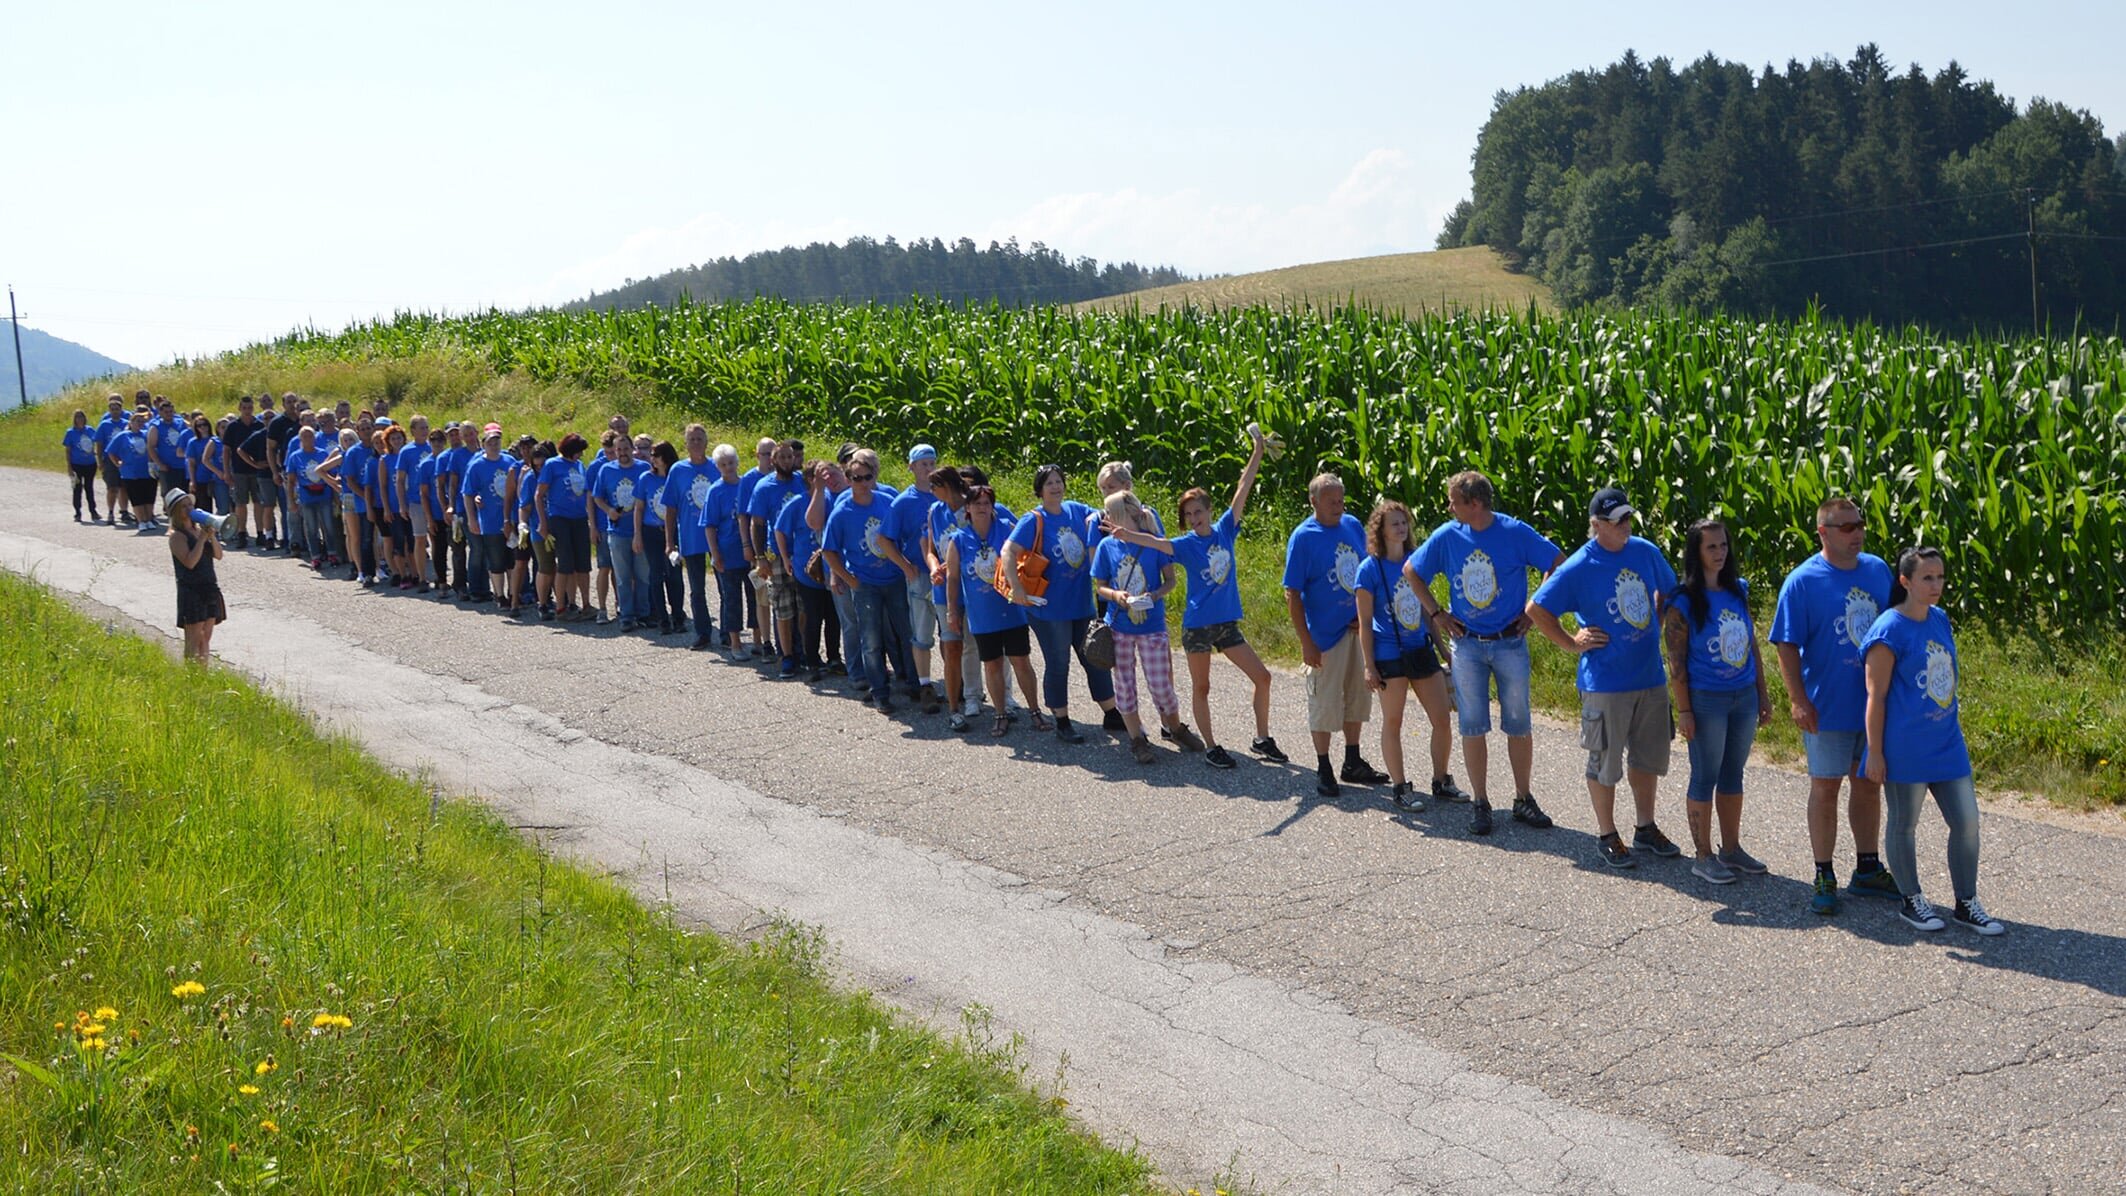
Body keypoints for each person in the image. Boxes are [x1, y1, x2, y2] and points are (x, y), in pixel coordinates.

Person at [1528, 487, 1681, 869]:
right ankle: (1607, 834)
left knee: (1648, 759)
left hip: (1649, 676)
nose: (1626, 526)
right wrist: (1571, 643)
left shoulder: (1644, 551)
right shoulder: (1580, 565)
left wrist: (1657, 621)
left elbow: (1670, 590)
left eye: (1628, 517)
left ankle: (1645, 827)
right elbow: (1536, 609)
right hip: (1605, 683)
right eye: (1618, 521)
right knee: (1604, 762)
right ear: (1597, 525)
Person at [1407, 470, 1564, 833]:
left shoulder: (1514, 531)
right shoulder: (1448, 537)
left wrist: (1533, 609)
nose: (1449, 507)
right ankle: (1481, 802)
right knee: (1473, 725)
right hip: (1467, 646)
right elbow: (1412, 571)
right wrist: (1437, 613)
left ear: (1474, 504)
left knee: (1519, 724)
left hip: (1509, 642)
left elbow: (1556, 563)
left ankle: (1523, 799)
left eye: (1454, 501)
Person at [1769, 495, 1900, 915]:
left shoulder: (1878, 570)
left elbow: (1897, 627)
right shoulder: (1804, 581)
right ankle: (1823, 872)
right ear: (1823, 532)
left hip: (1873, 707)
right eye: (1846, 527)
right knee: (1825, 789)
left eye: (1860, 524)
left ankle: (1866, 868)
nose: (1857, 533)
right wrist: (1797, 700)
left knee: (1867, 785)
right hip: (1826, 707)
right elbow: (1785, 645)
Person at [1863, 548, 2004, 935]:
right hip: (1905, 746)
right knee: (1904, 824)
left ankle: (1966, 902)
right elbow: (1875, 696)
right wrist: (1874, 752)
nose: (1936, 585)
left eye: (1940, 577)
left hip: (1947, 743)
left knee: (1967, 823)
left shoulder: (1940, 619)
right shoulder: (1887, 629)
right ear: (1905, 581)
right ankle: (1912, 899)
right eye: (1927, 578)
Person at [1663, 518, 1773, 885]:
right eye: (1711, 547)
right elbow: (1676, 663)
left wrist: (1762, 693)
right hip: (1706, 700)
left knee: (1733, 773)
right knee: (1705, 774)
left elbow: (1751, 644)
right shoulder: (1682, 602)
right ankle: (1703, 855)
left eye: (1723, 545)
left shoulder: (1737, 589)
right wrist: (1685, 711)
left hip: (1742, 696)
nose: (1720, 553)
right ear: (1696, 552)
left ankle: (1731, 849)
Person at [1283, 472, 1389, 797]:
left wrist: (1365, 614)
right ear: (1313, 501)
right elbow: (1293, 593)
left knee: (1357, 698)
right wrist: (1306, 642)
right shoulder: (1303, 537)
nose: (1338, 507)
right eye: (1331, 502)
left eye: (1341, 500)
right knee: (1324, 703)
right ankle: (1324, 766)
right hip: (1324, 637)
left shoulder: (1352, 526)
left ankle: (1353, 760)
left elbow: (1367, 571)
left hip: (1358, 632)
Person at [1354, 500, 1462, 812]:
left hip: (1421, 650)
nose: (1401, 528)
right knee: (1393, 721)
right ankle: (1400, 787)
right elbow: (1363, 623)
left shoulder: (1416, 563)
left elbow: (1429, 612)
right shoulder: (1369, 569)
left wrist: (1444, 651)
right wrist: (1369, 666)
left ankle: (1441, 780)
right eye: (1394, 524)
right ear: (1381, 531)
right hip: (1389, 654)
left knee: (1442, 719)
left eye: (1404, 523)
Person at [1001, 464, 1114, 745]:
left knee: (1095, 657)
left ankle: (1111, 713)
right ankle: (1062, 720)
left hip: (1081, 605)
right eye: (1049, 483)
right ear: (1040, 489)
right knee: (1059, 662)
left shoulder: (1077, 510)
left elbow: (1105, 517)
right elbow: (1008, 551)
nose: (1055, 487)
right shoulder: (1034, 519)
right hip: (1048, 609)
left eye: (1058, 481)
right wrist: (1016, 588)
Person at [822, 448, 926, 714]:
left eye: (867, 477)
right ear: (848, 479)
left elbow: (899, 535)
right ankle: (880, 692)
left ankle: (914, 683)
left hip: (893, 579)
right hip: (865, 583)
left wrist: (905, 566)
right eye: (856, 478)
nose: (863, 483)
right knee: (871, 640)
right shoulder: (842, 510)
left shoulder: (886, 500)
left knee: (906, 633)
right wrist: (849, 579)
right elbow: (829, 550)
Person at [1094, 490, 1186, 763]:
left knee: (1161, 686)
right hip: (1119, 626)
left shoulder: (1154, 544)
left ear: (1123, 515)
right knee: (1124, 685)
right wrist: (1116, 596)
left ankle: (1175, 727)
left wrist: (1154, 595)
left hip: (1152, 625)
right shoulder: (1106, 547)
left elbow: (1171, 581)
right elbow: (1100, 586)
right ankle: (1137, 738)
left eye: (1109, 512)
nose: (1106, 517)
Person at [946, 484, 1044, 733]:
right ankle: (1000, 713)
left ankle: (1035, 711)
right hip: (982, 615)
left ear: (993, 507)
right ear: (967, 508)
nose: (982, 508)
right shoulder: (958, 540)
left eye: (987, 503)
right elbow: (953, 579)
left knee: (1021, 661)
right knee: (992, 664)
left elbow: (1026, 556)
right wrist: (952, 611)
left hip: (1012, 610)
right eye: (976, 504)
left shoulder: (1007, 531)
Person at [778, 459, 840, 680]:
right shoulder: (798, 502)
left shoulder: (834, 499)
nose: (825, 479)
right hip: (808, 570)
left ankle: (834, 657)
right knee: (813, 617)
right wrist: (786, 558)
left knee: (833, 616)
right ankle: (812, 662)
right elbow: (780, 530)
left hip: (832, 568)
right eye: (819, 475)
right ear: (809, 479)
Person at [893, 445, 944, 701]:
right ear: (911, 467)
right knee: (922, 634)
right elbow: (884, 539)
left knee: (950, 631)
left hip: (947, 576)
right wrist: (905, 566)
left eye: (932, 462)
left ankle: (957, 683)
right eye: (923, 463)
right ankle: (924, 685)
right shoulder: (903, 502)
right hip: (920, 575)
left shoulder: (944, 496)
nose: (928, 468)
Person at [662, 427, 719, 650]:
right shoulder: (678, 470)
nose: (696, 443)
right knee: (697, 589)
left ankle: (727, 633)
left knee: (725, 587)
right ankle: (703, 632)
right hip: (691, 536)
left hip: (717, 538)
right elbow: (670, 509)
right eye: (691, 440)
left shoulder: (717, 466)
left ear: (706, 442)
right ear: (686, 444)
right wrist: (669, 541)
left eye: (699, 439)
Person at [592, 433, 652, 630]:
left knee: (643, 575)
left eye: (626, 449)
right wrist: (609, 510)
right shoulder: (606, 470)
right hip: (617, 532)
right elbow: (597, 497)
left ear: (632, 450)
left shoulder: (643, 469)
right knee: (622, 576)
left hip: (640, 530)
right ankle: (626, 615)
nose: (622, 453)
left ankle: (644, 613)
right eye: (619, 450)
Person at [702, 443, 753, 656]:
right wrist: (715, 554)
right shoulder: (715, 491)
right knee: (731, 598)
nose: (728, 467)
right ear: (717, 466)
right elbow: (710, 526)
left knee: (754, 595)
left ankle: (758, 639)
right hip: (727, 552)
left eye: (731, 462)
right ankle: (734, 642)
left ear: (737, 462)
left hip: (749, 553)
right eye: (723, 464)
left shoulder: (747, 486)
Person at [165, 490, 226, 665]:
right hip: (191, 590)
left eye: (190, 505)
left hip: (209, 586)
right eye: (183, 507)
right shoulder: (176, 536)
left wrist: (211, 537)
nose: (189, 509)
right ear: (176, 511)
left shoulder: (199, 530)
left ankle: (203, 674)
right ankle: (191, 675)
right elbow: (190, 562)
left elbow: (218, 555)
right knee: (194, 640)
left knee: (205, 638)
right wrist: (201, 540)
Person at [538, 432, 594, 621]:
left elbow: (585, 493)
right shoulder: (552, 465)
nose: (580, 455)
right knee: (565, 564)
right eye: (578, 451)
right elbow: (539, 495)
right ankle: (561, 607)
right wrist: (543, 522)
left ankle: (586, 604)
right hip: (559, 517)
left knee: (583, 564)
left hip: (579, 518)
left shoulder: (579, 466)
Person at [464, 425, 519, 610]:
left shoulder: (510, 461)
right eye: (490, 442)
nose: (494, 445)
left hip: (511, 519)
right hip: (490, 520)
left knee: (512, 559)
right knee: (496, 561)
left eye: (497, 441)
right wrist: (472, 518)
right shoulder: (476, 466)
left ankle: (513, 594)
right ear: (483, 444)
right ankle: (499, 594)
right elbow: (468, 493)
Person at [639, 442, 685, 634]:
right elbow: (639, 508)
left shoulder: (675, 478)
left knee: (674, 575)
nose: (653, 459)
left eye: (657, 455)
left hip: (674, 531)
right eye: (652, 455)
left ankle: (678, 616)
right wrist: (636, 535)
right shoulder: (645, 478)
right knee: (656, 576)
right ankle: (662, 618)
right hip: (651, 532)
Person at [281, 425, 341, 568]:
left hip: (324, 494)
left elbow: (331, 474)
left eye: (311, 436)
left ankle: (332, 553)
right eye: (305, 437)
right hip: (306, 496)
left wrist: (335, 496)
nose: (308, 439)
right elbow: (291, 481)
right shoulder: (295, 457)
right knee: (311, 528)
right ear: (300, 439)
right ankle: (315, 556)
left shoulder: (322, 455)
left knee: (328, 526)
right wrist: (291, 501)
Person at [109, 409, 159, 530]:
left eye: (142, 421)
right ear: (131, 422)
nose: (140, 423)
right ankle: (141, 520)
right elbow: (111, 451)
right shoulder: (122, 436)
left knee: (149, 497)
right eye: (137, 421)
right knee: (137, 498)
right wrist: (117, 462)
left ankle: (148, 519)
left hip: (147, 471)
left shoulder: (146, 434)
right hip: (131, 472)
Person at [62, 410, 103, 522]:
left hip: (90, 463)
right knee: (77, 489)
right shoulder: (70, 433)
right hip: (77, 464)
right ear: (74, 419)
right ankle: (77, 512)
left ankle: (93, 511)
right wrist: (69, 467)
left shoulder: (90, 430)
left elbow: (96, 442)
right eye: (77, 417)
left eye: (82, 417)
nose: (80, 419)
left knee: (89, 488)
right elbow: (68, 451)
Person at [94, 393, 129, 524]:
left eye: (117, 409)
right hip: (109, 459)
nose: (115, 412)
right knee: (112, 487)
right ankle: (110, 511)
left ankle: (124, 511)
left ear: (121, 410)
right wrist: (100, 461)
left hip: (124, 459)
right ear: (109, 410)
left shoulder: (126, 423)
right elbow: (99, 444)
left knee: (124, 487)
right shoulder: (104, 425)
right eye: (112, 409)